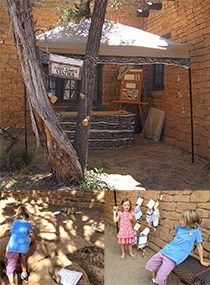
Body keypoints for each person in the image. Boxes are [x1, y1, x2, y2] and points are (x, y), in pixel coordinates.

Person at [146, 209, 210, 285]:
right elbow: (177, 238)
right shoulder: (180, 227)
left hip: (173, 257)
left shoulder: (196, 232)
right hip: (166, 250)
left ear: (189, 222)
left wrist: (201, 260)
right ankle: (154, 280)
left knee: (160, 278)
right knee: (150, 265)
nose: (180, 221)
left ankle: (158, 282)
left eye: (182, 220)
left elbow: (199, 246)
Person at [6, 205, 36, 285]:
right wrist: (32, 242)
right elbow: (32, 236)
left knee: (10, 267)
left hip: (13, 247)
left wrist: (7, 249)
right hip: (24, 247)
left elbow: (12, 234)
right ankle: (24, 274)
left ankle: (12, 283)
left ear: (18, 215)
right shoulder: (28, 224)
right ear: (26, 215)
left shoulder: (14, 223)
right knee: (22, 258)